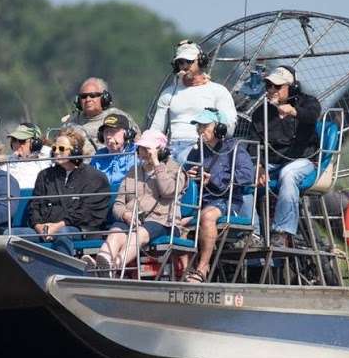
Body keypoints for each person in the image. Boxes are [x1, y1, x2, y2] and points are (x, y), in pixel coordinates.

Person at [85, 129, 186, 278]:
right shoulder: (133, 171)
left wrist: (158, 164)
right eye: (141, 148)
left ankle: (113, 268)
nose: (142, 151)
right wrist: (125, 214)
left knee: (139, 235)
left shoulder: (176, 170)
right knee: (115, 233)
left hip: (163, 221)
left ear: (161, 150)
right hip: (132, 219)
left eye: (147, 148)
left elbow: (167, 191)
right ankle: (103, 263)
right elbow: (118, 203)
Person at [250, 66, 321, 246]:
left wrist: (294, 111)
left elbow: (313, 115)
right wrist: (258, 166)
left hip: (302, 161)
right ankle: (252, 233)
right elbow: (253, 144)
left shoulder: (307, 102)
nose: (272, 90)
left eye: (277, 86)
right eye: (268, 86)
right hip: (272, 163)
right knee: (243, 177)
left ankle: (282, 232)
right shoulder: (261, 113)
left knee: (288, 174)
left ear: (292, 87)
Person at [182, 108, 255, 283]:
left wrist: (214, 178)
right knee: (176, 221)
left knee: (207, 217)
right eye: (198, 126)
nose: (201, 130)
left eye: (205, 126)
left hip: (227, 202)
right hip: (200, 202)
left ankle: (202, 269)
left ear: (219, 128)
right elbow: (182, 176)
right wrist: (187, 175)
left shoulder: (234, 148)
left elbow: (247, 176)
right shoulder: (195, 151)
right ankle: (185, 272)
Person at [15, 125, 111, 255]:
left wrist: (58, 226)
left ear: (75, 151)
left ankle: (61, 271)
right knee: (10, 234)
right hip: (44, 229)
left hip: (77, 229)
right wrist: (39, 226)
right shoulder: (45, 175)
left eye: (61, 149)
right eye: (54, 148)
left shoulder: (95, 177)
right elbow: (34, 206)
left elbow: (85, 213)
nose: (56, 152)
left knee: (63, 233)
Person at [151, 40, 237, 163]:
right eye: (180, 62)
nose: (184, 65)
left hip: (200, 145)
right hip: (171, 146)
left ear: (201, 61)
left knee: (183, 160)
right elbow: (156, 129)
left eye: (189, 61)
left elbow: (229, 127)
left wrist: (211, 132)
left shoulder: (218, 91)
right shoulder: (168, 93)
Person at [63, 77, 137, 148]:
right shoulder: (71, 123)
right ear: (78, 101)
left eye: (93, 95)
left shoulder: (119, 117)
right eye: (84, 96)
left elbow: (137, 142)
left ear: (104, 98)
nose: (88, 99)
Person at [90, 112, 136, 191]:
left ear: (127, 134)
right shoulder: (99, 156)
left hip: (127, 197)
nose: (108, 136)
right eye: (106, 132)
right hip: (102, 198)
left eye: (112, 131)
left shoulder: (137, 153)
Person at [4, 122, 46, 189]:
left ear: (35, 143)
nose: (17, 145)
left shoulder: (48, 161)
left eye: (22, 141)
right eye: (14, 140)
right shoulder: (7, 163)